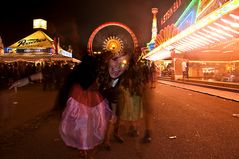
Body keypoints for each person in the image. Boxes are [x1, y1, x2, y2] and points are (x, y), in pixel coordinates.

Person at [9, 54, 112, 159]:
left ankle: (86, 151)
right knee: (88, 128)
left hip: (89, 103)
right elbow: (52, 73)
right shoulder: (86, 71)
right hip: (84, 103)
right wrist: (28, 79)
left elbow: (52, 74)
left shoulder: (97, 71)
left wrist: (28, 79)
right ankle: (85, 151)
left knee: (89, 128)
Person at [99, 51, 130, 151]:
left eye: (122, 62)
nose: (118, 64)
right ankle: (106, 139)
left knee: (118, 115)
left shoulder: (123, 71)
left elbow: (125, 81)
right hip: (106, 96)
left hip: (118, 95)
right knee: (111, 117)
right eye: (114, 59)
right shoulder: (103, 71)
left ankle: (116, 133)